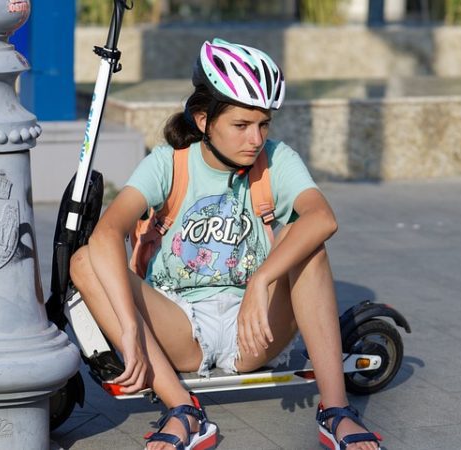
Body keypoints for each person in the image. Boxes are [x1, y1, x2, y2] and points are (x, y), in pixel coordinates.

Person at [70, 38, 381, 450]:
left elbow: (323, 217)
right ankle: (184, 410)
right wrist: (128, 329)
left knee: (305, 239)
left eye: (263, 124)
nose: (254, 139)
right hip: (179, 325)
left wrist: (261, 281)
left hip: (253, 328)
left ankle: (336, 410)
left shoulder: (276, 160)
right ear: (203, 120)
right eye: (240, 125)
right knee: (84, 260)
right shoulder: (169, 163)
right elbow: (106, 232)